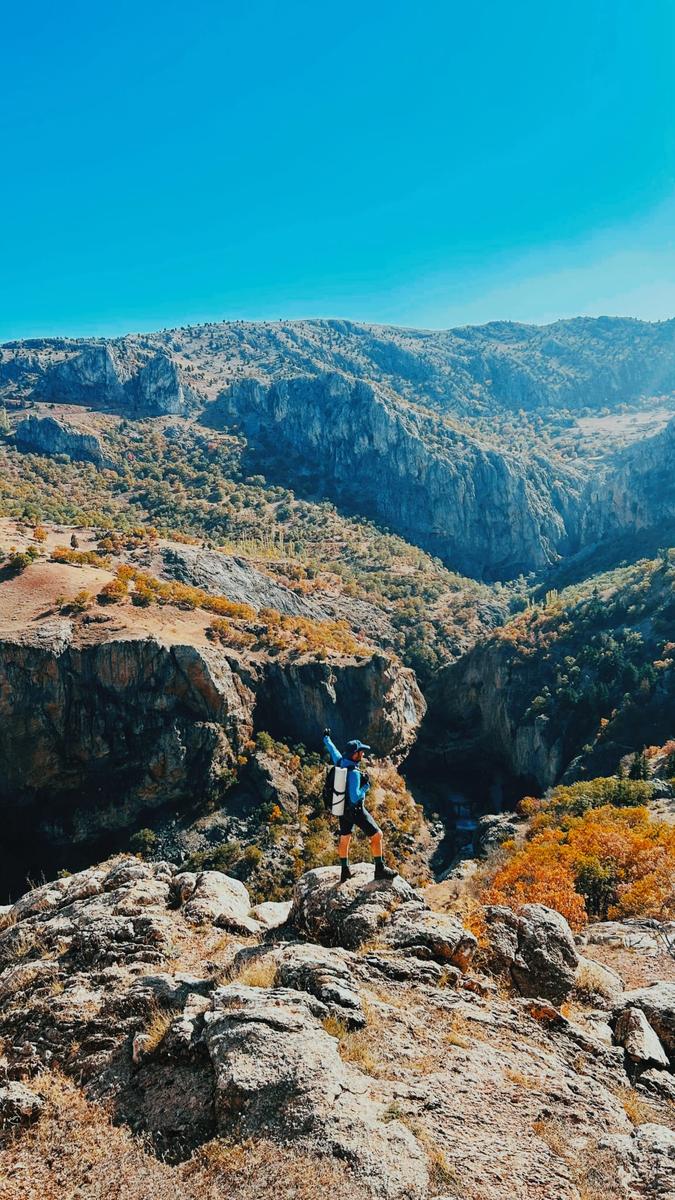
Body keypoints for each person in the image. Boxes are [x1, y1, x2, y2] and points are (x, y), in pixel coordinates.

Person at [323, 729, 397, 883]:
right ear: (354, 754)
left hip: (342, 809)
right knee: (378, 835)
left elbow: (332, 749)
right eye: (361, 752)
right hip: (356, 810)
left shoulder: (340, 761)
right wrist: (366, 786)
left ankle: (345, 871)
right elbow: (356, 796)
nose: (363, 754)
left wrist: (326, 738)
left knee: (345, 837)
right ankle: (380, 869)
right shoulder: (355, 773)